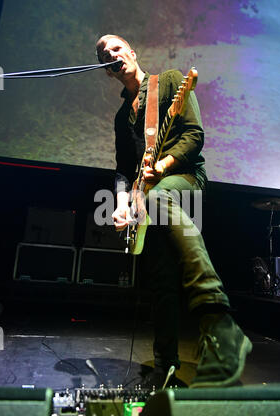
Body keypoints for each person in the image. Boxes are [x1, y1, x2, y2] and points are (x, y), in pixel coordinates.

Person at [96, 34, 252, 389]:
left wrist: (163, 164)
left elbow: (194, 135)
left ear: (132, 53)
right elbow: (123, 168)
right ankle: (165, 365)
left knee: (161, 196)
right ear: (107, 71)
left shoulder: (168, 82)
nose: (111, 55)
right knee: (160, 277)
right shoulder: (123, 117)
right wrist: (122, 204)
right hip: (147, 196)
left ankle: (218, 320)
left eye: (116, 48)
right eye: (104, 55)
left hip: (184, 178)